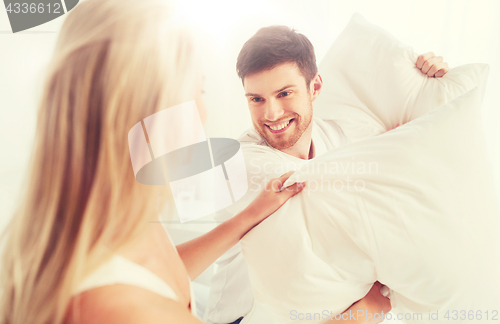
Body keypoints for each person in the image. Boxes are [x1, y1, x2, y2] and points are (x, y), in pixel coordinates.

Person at [0, 1, 395, 324]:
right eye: (197, 90)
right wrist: (358, 318)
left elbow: (164, 271)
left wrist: (247, 217)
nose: (203, 112)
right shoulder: (120, 309)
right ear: (147, 112)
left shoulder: (106, 221)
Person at [204, 26, 449, 324]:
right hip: (244, 317)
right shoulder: (244, 163)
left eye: (284, 93)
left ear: (315, 88)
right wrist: (368, 310)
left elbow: (413, 137)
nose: (270, 114)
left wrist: (432, 82)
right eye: (256, 99)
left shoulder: (337, 134)